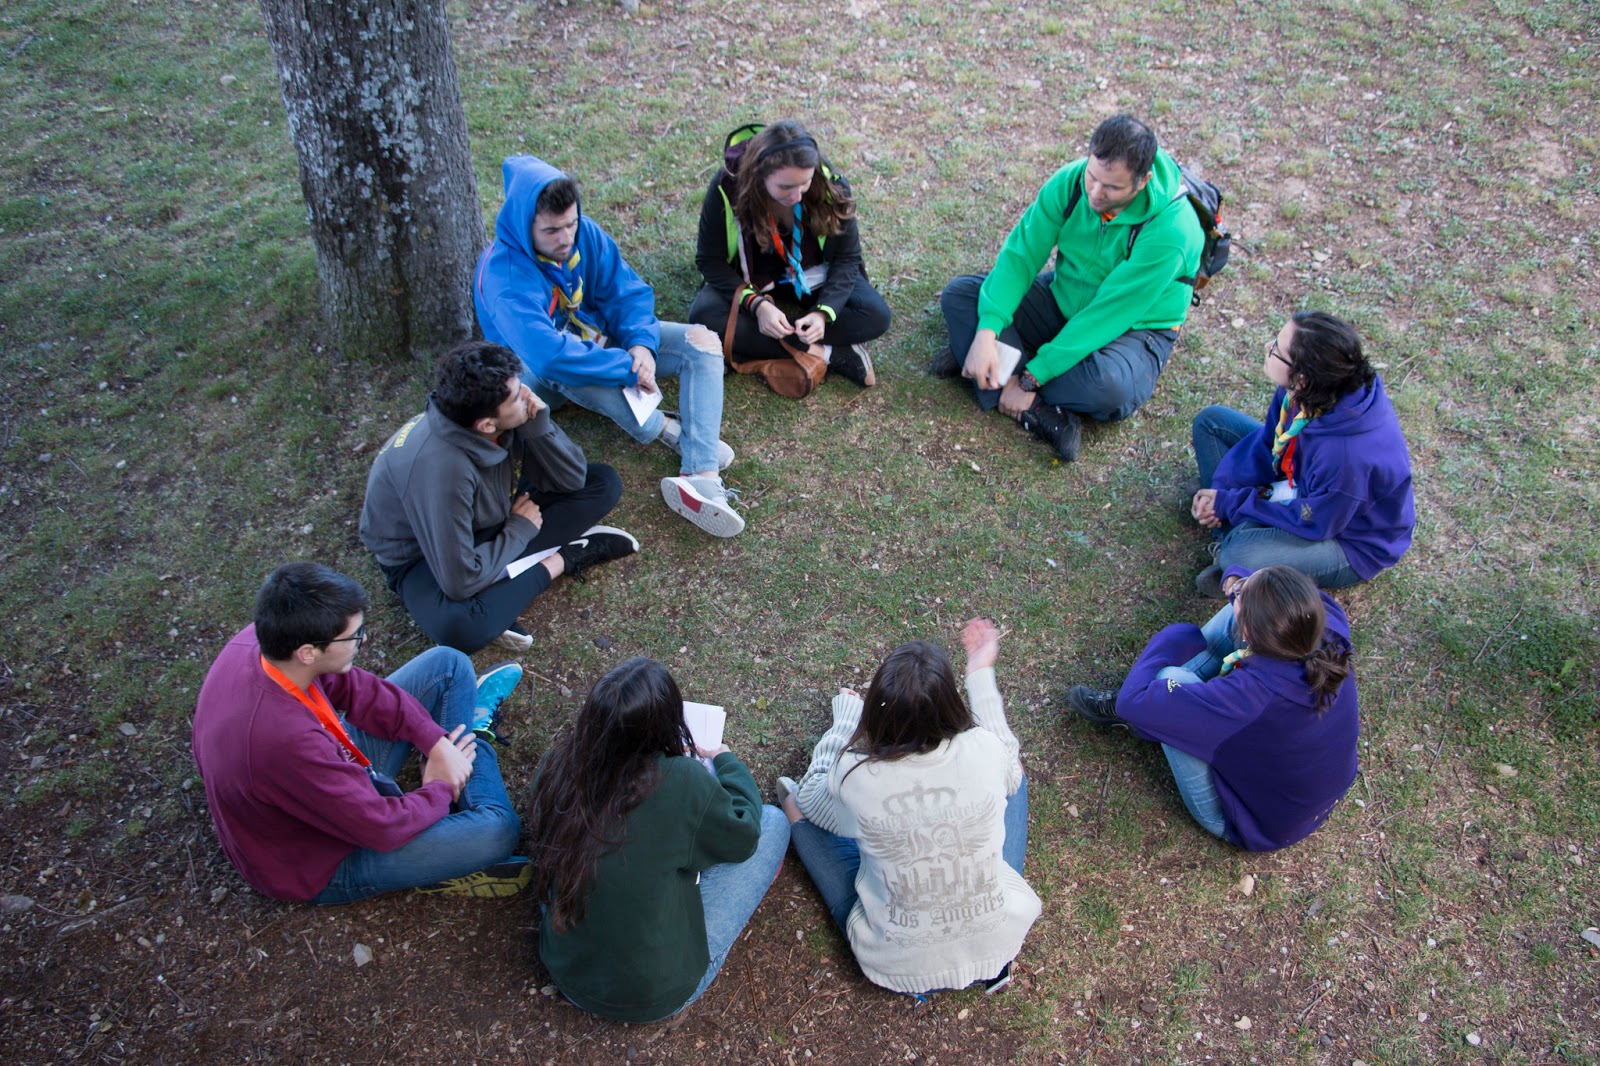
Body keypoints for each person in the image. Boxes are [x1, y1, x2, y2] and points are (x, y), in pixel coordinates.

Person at [191, 562, 529, 904]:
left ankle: (458, 762)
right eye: (354, 636)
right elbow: (381, 827)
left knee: (449, 664)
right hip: (319, 860)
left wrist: (435, 742)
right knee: (498, 831)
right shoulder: (284, 741)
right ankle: (472, 747)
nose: (363, 640)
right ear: (308, 652)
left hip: (324, 784)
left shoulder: (270, 641)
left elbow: (357, 689)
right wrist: (439, 787)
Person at [474, 156, 745, 538]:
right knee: (567, 364)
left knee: (700, 343)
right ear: (524, 225)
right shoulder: (504, 276)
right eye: (551, 230)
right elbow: (549, 356)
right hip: (536, 378)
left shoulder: (584, 233)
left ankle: (700, 475)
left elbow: (625, 293)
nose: (566, 238)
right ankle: (669, 430)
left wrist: (642, 345)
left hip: (597, 339)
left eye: (571, 223)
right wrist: (626, 367)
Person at [779, 620, 1040, 996]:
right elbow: (1008, 762)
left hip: (896, 964)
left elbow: (812, 798)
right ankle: (992, 968)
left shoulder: (855, 775)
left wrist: (844, 723)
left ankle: (918, 972)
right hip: (997, 944)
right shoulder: (986, 750)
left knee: (794, 804)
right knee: (1011, 772)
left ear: (876, 712)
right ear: (950, 705)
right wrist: (980, 671)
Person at [527, 657, 789, 1022]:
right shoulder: (681, 781)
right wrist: (728, 762)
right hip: (654, 993)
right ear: (666, 727)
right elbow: (744, 835)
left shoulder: (554, 767)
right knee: (773, 822)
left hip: (567, 970)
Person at [938, 114, 1204, 461]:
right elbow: (1021, 256)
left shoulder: (1173, 231)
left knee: (1108, 387)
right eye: (1092, 176)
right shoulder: (1070, 181)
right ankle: (1006, 375)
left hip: (1132, 330)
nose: (1095, 192)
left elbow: (1108, 314)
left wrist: (1032, 378)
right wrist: (987, 331)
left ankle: (1000, 375)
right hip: (1062, 297)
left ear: (1143, 182)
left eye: (1111, 188)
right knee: (962, 295)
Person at [359, 341, 638, 655]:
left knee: (603, 484)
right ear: (487, 425)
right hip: (422, 554)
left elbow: (572, 481)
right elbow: (459, 581)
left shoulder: (487, 418)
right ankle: (562, 559)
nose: (528, 395)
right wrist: (519, 531)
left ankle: (498, 594)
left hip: (490, 506)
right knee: (460, 628)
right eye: (517, 396)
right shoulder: (443, 472)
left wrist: (539, 426)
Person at [1067, 565, 1359, 851]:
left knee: (1170, 677)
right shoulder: (1324, 619)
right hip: (1306, 799)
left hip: (1254, 824)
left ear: (1250, 632)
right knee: (1231, 616)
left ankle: (1155, 710)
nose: (1237, 589)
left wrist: (1176, 637)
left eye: (1241, 591)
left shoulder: (1248, 699)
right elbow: (1270, 595)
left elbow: (1130, 701)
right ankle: (1168, 703)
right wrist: (1237, 577)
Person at [1189, 311, 1415, 596]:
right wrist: (1225, 492)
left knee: (1242, 552)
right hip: (1300, 479)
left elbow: (1314, 521)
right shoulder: (1305, 392)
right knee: (1212, 423)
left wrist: (1230, 503)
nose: (1267, 347)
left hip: (1346, 538)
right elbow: (1268, 443)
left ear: (1302, 378)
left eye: (1276, 349)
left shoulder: (1346, 457)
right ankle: (1233, 536)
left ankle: (1234, 552)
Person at [689, 120, 891, 391]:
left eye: (804, 183)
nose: (796, 196)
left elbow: (847, 257)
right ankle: (830, 354)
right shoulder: (727, 186)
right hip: (753, 278)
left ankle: (759, 341)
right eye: (785, 187)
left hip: (812, 272)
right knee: (704, 315)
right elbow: (709, 260)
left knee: (875, 315)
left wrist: (823, 314)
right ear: (759, 176)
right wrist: (758, 306)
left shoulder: (829, 182)